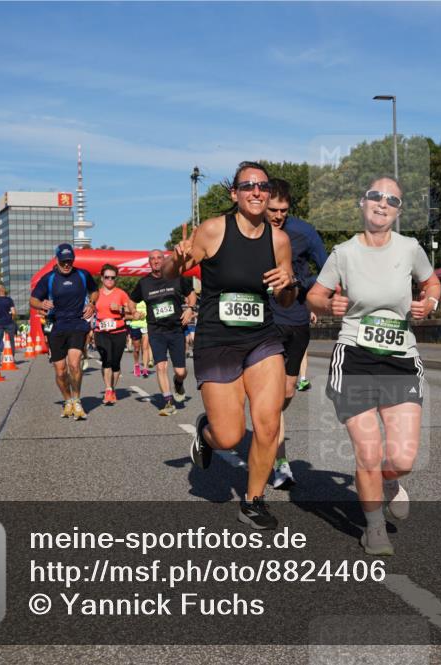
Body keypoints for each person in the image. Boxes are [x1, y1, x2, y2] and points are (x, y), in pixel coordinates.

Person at [306, 176, 441, 556]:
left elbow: (432, 284)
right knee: (368, 452)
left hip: (400, 357)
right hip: (355, 357)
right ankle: (374, 527)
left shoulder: (411, 249)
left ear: (398, 211)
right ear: (361, 203)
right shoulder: (343, 253)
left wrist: (429, 303)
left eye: (392, 200)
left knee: (401, 458)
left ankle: (390, 481)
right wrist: (325, 305)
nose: (382, 204)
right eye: (375, 197)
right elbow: (314, 296)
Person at [164, 161, 295, 530]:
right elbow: (173, 273)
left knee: (268, 424)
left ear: (269, 194)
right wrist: (177, 258)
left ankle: (253, 501)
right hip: (218, 341)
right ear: (234, 194)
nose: (257, 192)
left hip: (262, 338)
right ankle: (207, 434)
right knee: (229, 435)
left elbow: (285, 299)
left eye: (263, 186)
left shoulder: (279, 240)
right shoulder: (213, 230)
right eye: (248, 186)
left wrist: (289, 284)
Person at [264, 178, 329, 489]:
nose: (277, 215)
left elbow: (329, 270)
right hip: (262, 323)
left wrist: (300, 280)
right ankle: (279, 462)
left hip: (296, 319)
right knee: (271, 396)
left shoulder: (303, 232)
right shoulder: (249, 232)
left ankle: (265, 429)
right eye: (272, 209)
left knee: (286, 394)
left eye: (283, 210)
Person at [29, 243, 98, 420]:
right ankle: (67, 400)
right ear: (57, 260)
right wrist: (41, 304)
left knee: (74, 363)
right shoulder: (49, 278)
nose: (67, 264)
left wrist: (91, 303)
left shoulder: (82, 275)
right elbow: (33, 300)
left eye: (69, 261)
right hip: (56, 325)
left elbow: (95, 291)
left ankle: (77, 399)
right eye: (63, 261)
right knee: (60, 371)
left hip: (77, 323)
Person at [131, 249, 195, 416]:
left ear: (164, 260)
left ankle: (178, 383)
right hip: (156, 330)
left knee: (180, 371)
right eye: (152, 259)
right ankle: (168, 402)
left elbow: (192, 294)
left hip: (176, 329)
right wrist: (134, 312)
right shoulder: (144, 283)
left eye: (159, 258)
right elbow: (131, 301)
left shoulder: (176, 277)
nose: (156, 261)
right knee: (161, 366)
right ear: (149, 262)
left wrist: (190, 308)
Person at [94, 264, 136, 404]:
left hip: (119, 331)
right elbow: (89, 310)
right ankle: (108, 390)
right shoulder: (96, 294)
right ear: (102, 278)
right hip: (101, 332)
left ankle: (112, 389)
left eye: (113, 278)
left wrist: (120, 308)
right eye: (107, 277)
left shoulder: (121, 293)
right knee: (107, 359)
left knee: (116, 363)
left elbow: (131, 310)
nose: (110, 280)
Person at [0, 284, 17, 360]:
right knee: (11, 341)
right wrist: (12, 319)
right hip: (9, 323)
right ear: (4, 290)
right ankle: (11, 358)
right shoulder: (9, 300)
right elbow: (13, 312)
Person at [128, 300, 147, 375]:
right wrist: (135, 316)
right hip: (135, 326)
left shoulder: (147, 297)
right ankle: (136, 365)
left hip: (145, 326)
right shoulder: (133, 301)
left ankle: (145, 369)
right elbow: (126, 316)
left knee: (145, 348)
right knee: (136, 349)